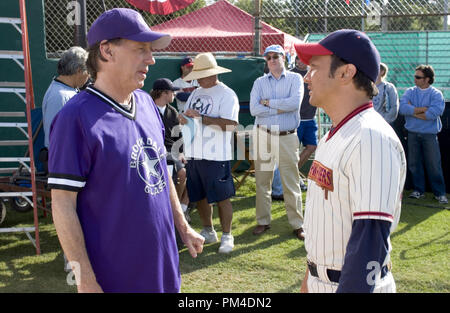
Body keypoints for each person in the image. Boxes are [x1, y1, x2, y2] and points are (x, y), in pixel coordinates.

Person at [47, 8, 204, 293]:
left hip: (163, 267)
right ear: (106, 51)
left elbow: (159, 171)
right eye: (141, 49)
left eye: (151, 49)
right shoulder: (75, 118)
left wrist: (182, 226)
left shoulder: (146, 103)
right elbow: (62, 205)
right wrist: (84, 279)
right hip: (114, 276)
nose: (151, 59)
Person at [295, 29, 406, 293]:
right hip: (321, 280)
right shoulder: (335, 134)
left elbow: (370, 241)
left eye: (314, 68)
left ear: (346, 73)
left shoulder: (370, 138)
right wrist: (309, 279)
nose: (306, 78)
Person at [178, 52, 239, 254]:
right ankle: (208, 230)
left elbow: (230, 125)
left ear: (213, 74)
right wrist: (184, 119)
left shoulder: (227, 94)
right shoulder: (195, 93)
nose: (197, 79)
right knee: (200, 195)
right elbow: (191, 119)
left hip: (216, 155)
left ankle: (227, 235)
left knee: (222, 197)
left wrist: (202, 118)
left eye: (201, 74)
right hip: (195, 154)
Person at [249, 44, 305, 240]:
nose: (272, 60)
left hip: (287, 136)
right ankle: (263, 221)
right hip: (263, 135)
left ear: (284, 58)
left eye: (275, 56)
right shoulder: (259, 82)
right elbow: (254, 110)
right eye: (268, 57)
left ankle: (298, 224)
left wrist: (268, 103)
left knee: (291, 182)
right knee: (263, 181)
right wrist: (280, 108)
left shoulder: (295, 78)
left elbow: (294, 104)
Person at [399, 64, 448, 204]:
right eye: (415, 76)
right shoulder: (410, 91)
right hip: (412, 133)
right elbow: (402, 109)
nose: (414, 79)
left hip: (429, 135)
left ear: (427, 79)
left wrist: (413, 111)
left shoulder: (436, 94)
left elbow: (433, 114)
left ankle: (440, 193)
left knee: (434, 164)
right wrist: (422, 110)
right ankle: (418, 191)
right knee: (414, 164)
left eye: (418, 77)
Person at [271, 56, 318, 198]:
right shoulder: (290, 75)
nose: (300, 62)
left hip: (310, 118)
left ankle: (292, 177)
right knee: (288, 153)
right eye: (298, 60)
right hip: (294, 119)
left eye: (303, 60)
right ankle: (280, 187)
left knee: (312, 147)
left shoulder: (313, 74)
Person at [150, 78, 190, 218]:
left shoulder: (172, 111)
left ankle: (177, 208)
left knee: (188, 172)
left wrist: (181, 153)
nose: (174, 94)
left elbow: (178, 136)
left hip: (171, 152)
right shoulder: (146, 109)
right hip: (152, 152)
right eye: (172, 92)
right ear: (163, 93)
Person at [42, 46, 89, 149]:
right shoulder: (59, 97)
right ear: (78, 70)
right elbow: (55, 139)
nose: (89, 76)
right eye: (88, 71)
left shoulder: (67, 91)